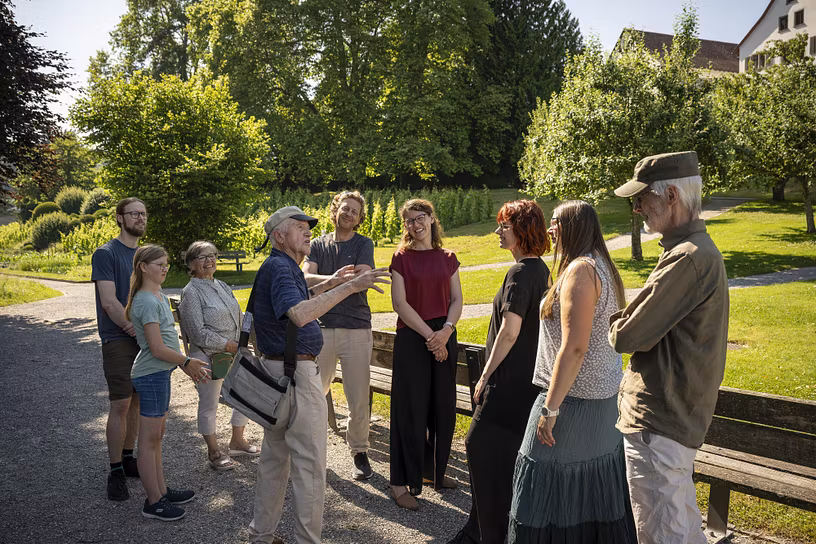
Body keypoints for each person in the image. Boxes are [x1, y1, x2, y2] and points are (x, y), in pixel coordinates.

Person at [248, 206, 390, 544]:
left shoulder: (281, 266)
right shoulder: (282, 268)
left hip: (280, 372)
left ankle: (261, 535)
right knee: (310, 468)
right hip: (295, 375)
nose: (308, 231)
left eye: (309, 226)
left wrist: (331, 282)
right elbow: (298, 314)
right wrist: (351, 286)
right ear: (279, 236)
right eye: (299, 227)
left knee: (274, 459)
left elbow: (293, 302)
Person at [609, 151, 729, 544]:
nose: (637, 207)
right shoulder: (688, 252)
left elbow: (627, 337)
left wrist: (619, 323)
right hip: (666, 424)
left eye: (642, 197)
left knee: (664, 536)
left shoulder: (688, 258)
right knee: (677, 529)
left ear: (672, 195)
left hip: (659, 425)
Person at [507, 200, 636, 543]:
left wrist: (549, 409)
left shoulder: (581, 270)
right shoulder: (602, 265)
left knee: (544, 490)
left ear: (572, 227)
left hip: (573, 404)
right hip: (601, 403)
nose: (550, 230)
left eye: (555, 223)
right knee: (590, 499)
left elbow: (575, 347)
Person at [449, 200, 551, 544]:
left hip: (507, 385)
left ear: (522, 231)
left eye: (504, 226)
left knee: (477, 446)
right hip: (529, 386)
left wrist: (483, 376)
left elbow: (509, 331)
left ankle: (486, 534)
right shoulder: (542, 272)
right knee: (502, 460)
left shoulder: (520, 273)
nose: (497, 232)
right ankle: (479, 530)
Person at [125, 244, 211, 521]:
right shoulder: (146, 301)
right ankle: (153, 502)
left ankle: (161, 491)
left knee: (157, 437)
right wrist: (186, 362)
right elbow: (157, 348)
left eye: (166, 264)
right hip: (150, 376)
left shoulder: (157, 295)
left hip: (159, 374)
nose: (165, 268)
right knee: (149, 440)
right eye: (159, 264)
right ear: (143, 267)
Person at [388, 199, 463, 511]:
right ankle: (398, 483)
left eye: (420, 218)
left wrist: (445, 331)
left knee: (442, 407)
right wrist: (431, 336)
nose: (415, 225)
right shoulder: (401, 258)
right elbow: (400, 305)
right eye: (409, 220)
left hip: (443, 335)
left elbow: (457, 299)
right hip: (413, 338)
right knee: (410, 411)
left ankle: (435, 470)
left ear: (433, 219)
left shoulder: (448, 257)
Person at [302, 191, 376, 480]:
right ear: (335, 211)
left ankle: (359, 451)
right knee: (314, 394)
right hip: (321, 328)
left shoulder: (363, 243)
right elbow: (305, 280)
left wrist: (328, 284)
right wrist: (334, 279)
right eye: (345, 208)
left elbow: (362, 281)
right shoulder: (318, 245)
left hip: (357, 328)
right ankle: (311, 450)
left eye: (355, 211)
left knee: (357, 397)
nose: (349, 214)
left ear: (359, 218)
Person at [178, 240, 260, 472]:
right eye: (202, 257)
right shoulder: (191, 292)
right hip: (207, 355)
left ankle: (237, 441)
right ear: (191, 264)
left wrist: (248, 337)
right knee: (209, 404)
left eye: (212, 255)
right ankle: (214, 451)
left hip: (234, 350)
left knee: (245, 395)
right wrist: (227, 344)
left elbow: (239, 315)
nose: (209, 260)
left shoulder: (222, 285)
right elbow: (198, 332)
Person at [91, 196, 146, 501]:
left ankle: (128, 457)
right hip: (118, 338)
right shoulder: (106, 254)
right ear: (120, 218)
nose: (140, 218)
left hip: (143, 340)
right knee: (121, 404)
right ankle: (115, 472)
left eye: (143, 214)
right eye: (133, 214)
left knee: (137, 402)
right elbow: (109, 302)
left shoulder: (144, 254)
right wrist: (133, 330)